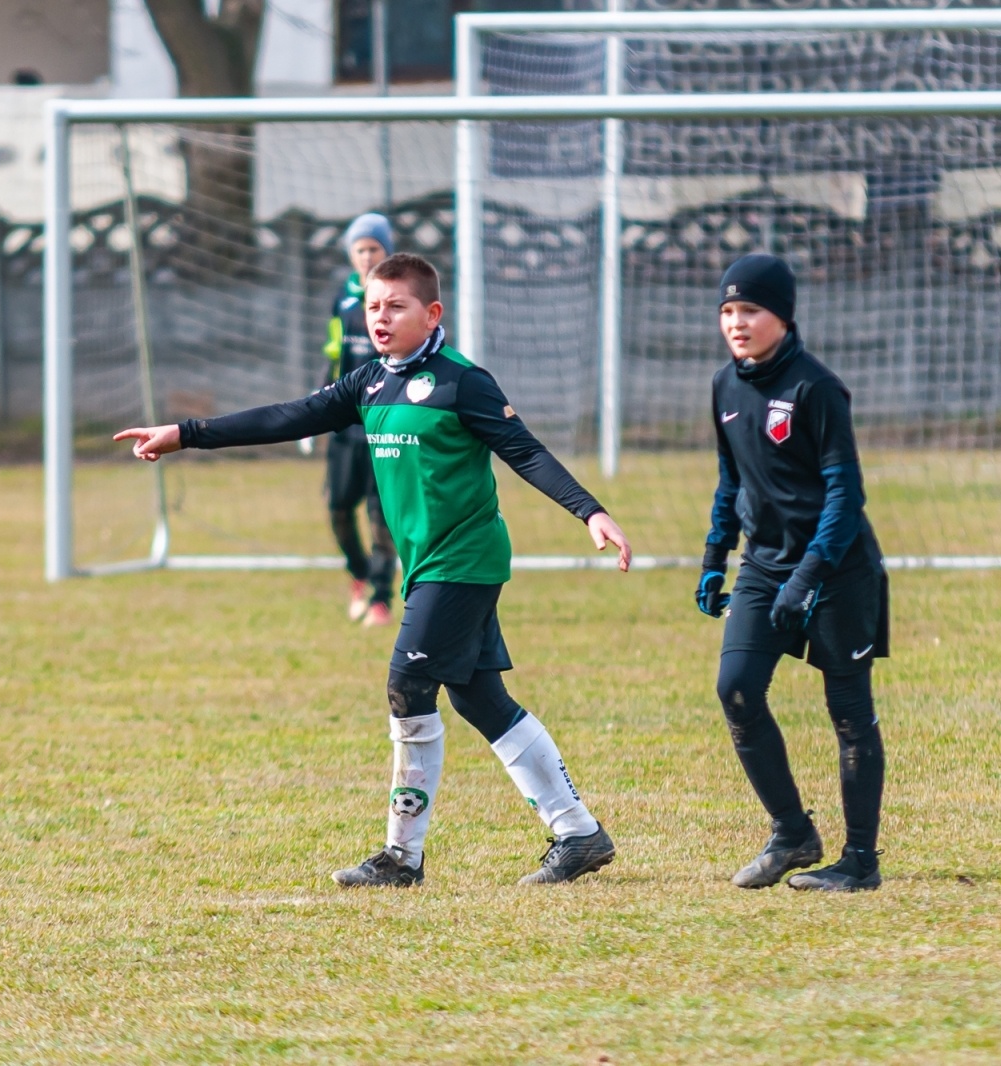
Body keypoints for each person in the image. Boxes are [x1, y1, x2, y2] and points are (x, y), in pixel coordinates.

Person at [115, 253, 630, 888]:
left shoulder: (463, 382)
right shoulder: (370, 382)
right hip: (428, 565)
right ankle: (578, 832)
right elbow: (288, 416)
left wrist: (590, 511)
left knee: (407, 686)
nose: (379, 318)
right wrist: (186, 432)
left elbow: (525, 451)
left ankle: (401, 858)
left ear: (432, 313)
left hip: (464, 560)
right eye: (372, 306)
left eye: (395, 306)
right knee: (479, 698)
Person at [696, 253, 890, 893]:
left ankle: (859, 862)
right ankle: (792, 833)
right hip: (763, 564)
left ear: (782, 315)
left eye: (750, 309)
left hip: (837, 569)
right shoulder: (723, 387)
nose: (736, 322)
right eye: (727, 310)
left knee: (849, 712)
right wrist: (714, 557)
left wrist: (808, 577)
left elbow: (846, 495)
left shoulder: (816, 388)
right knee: (736, 689)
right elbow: (731, 480)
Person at [323, 213, 397, 626]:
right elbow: (335, 356)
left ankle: (382, 598)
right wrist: (319, 402)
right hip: (346, 427)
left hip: (384, 425)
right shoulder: (344, 299)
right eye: (360, 249)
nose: (367, 256)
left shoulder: (397, 298)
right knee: (337, 508)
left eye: (374, 248)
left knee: (381, 515)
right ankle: (359, 573)